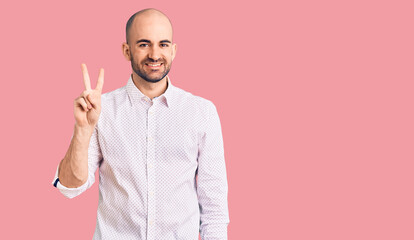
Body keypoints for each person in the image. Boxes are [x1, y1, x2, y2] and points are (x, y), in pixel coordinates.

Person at [51, 8, 229, 240]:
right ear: (127, 50)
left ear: (174, 51)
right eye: (144, 44)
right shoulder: (100, 110)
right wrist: (83, 130)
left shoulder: (201, 112)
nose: (155, 54)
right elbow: (69, 187)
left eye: (163, 44)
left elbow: (214, 210)